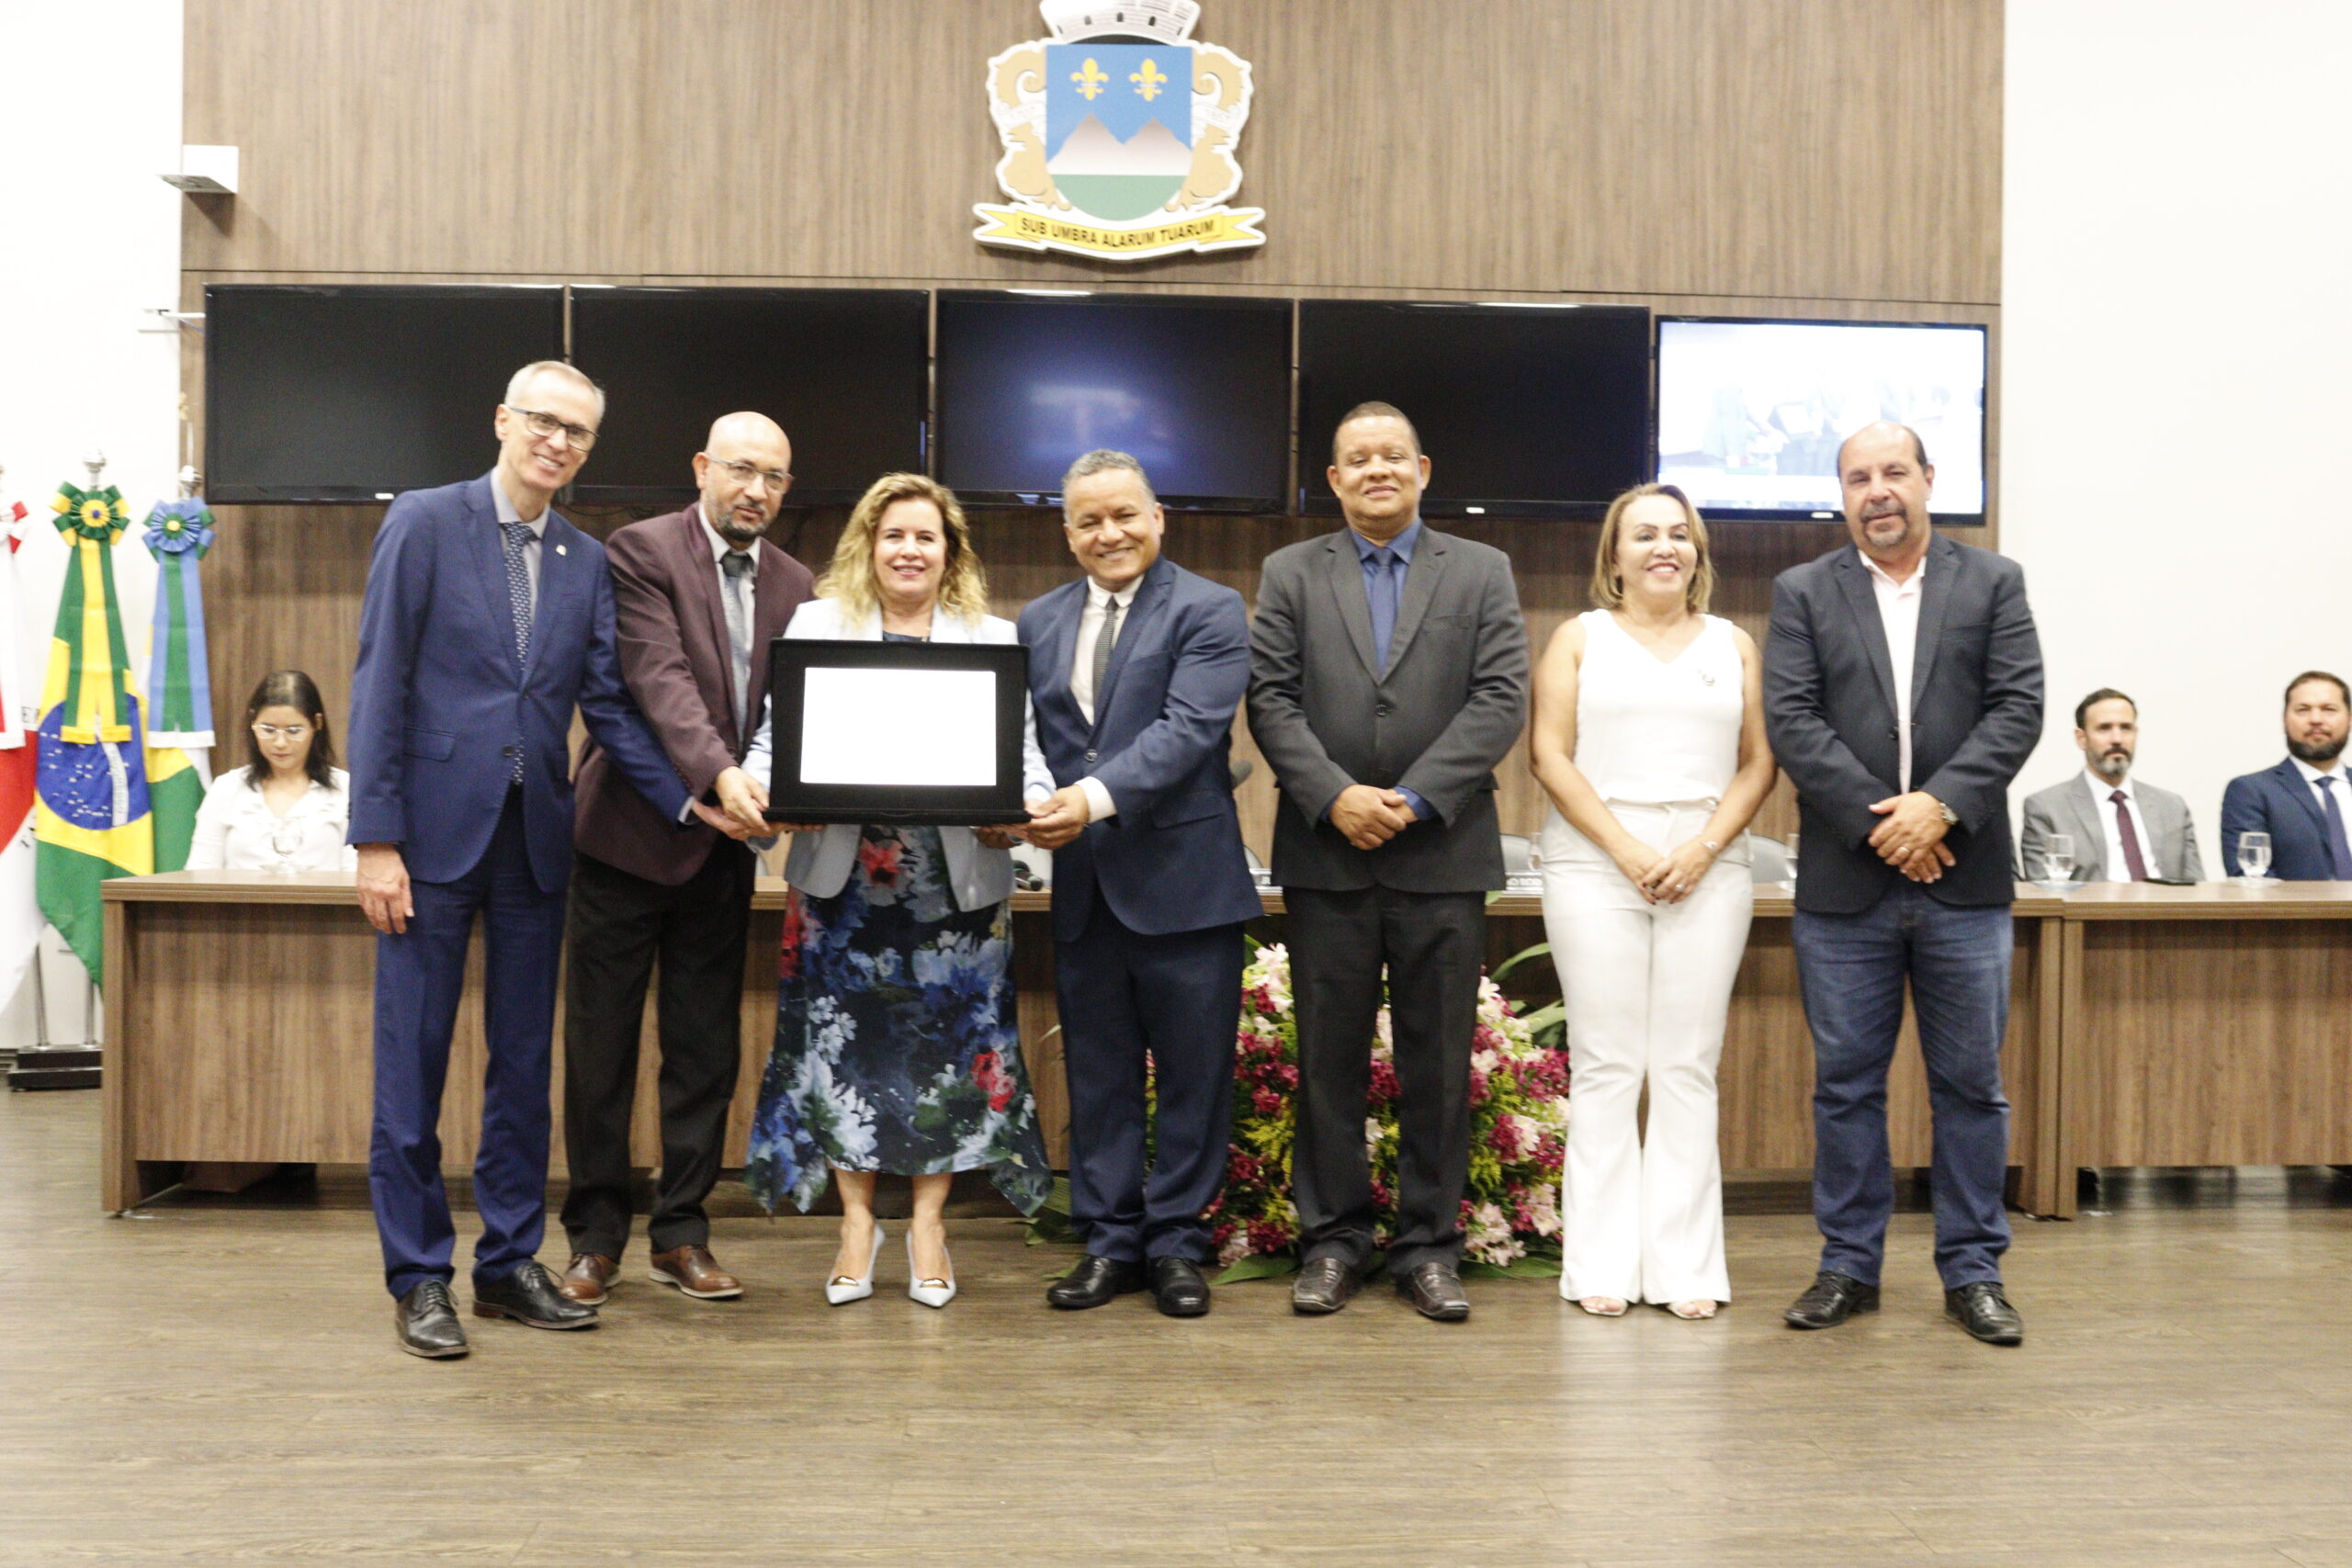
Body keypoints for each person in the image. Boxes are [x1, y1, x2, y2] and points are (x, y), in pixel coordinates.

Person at [347, 361, 696, 1359]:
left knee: (522, 1071)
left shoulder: (586, 561)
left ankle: (505, 1263)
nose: (559, 442)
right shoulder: (424, 520)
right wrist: (376, 839)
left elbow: (607, 706)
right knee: (409, 1069)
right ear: (504, 420)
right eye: (544, 421)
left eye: (579, 432)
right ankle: (419, 1277)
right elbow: (379, 681)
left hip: (538, 842)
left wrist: (687, 800)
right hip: (425, 842)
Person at [739, 472, 1055, 1308]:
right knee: (842, 1050)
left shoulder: (991, 636)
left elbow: (1021, 758)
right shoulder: (816, 625)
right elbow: (778, 740)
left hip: (956, 891)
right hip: (843, 888)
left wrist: (1026, 809)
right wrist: (759, 788)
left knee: (949, 1053)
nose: (909, 550)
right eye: (893, 536)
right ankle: (854, 1222)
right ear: (867, 547)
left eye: (926, 537)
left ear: (949, 552)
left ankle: (927, 1225)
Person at [1246, 401, 1530, 1323]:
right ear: (1333, 479)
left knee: (1436, 1065)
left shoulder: (1481, 570)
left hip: (1440, 851)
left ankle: (1428, 1247)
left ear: (1422, 468)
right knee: (1324, 1060)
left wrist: (1409, 799)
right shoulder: (1290, 572)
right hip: (1326, 855)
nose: (1376, 469)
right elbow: (1271, 700)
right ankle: (1331, 1243)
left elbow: (1499, 700)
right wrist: (1335, 796)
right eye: (1356, 459)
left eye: (1391, 456)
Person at [1763, 420, 2042, 1348]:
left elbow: (2018, 707)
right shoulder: (1802, 591)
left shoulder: (1991, 581)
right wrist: (1894, 826)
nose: (1876, 490)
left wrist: (1941, 809)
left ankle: (1973, 1272)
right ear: (1841, 494)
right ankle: (1848, 1266)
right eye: (1857, 478)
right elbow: (1794, 722)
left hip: (1965, 880)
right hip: (1848, 887)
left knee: (1970, 1087)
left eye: (1893, 473)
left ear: (1928, 480)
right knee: (1845, 1087)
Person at [554, 412, 816, 1309]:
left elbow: (796, 711)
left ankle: (682, 1231)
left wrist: (779, 789)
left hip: (725, 850)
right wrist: (713, 779)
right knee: (601, 1052)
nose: (757, 491)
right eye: (743, 470)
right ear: (702, 466)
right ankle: (594, 1236)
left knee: (703, 1052)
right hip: (625, 841)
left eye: (775, 479)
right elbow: (652, 679)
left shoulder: (796, 583)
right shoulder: (640, 552)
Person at [1019, 450, 1259, 1318]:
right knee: (1100, 1073)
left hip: (1185, 885)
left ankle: (1178, 1243)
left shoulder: (1210, 608)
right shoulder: (1037, 620)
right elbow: (1027, 743)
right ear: (1068, 530)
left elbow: (1190, 730)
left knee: (1195, 1077)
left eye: (1125, 514)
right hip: (1084, 888)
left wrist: (1083, 799)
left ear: (1159, 517)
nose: (1109, 533)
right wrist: (1024, 799)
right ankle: (1111, 1240)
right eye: (1089, 520)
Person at [1529, 485, 1775, 1321]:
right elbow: (1549, 755)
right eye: (1645, 534)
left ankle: (1684, 1266)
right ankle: (1597, 1261)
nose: (1664, 546)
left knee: (1684, 1064)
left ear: (1699, 554)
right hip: (1596, 864)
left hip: (1709, 865)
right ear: (1615, 556)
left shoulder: (1734, 645)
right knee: (1607, 1062)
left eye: (1680, 534)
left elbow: (1757, 764)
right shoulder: (1578, 638)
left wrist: (1702, 847)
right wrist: (1629, 849)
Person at [2018, 688, 2203, 883]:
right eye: (2104, 728)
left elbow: (2197, 887)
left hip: (2164, 911)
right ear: (2081, 738)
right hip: (2089, 912)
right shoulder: (2046, 808)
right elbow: (2043, 892)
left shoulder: (2172, 806)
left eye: (2126, 728)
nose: (2117, 739)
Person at [187, 670, 356, 873]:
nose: (280, 743)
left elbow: (355, 876)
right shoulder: (227, 788)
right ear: (252, 722)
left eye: (294, 731)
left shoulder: (345, 789)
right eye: (268, 730)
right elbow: (200, 871)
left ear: (316, 724)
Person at [2220, 671, 2352, 880]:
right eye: (2303, 710)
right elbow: (2250, 877)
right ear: (2284, 720)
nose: (2316, 719)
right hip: (2295, 912)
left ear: (2349, 719)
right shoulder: (2251, 791)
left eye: (2329, 709)